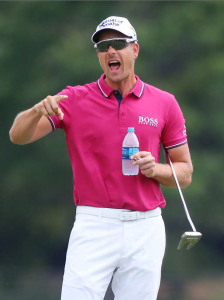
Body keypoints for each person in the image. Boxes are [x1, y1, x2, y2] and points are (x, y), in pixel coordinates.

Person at [9, 16, 193, 300]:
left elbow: (184, 172)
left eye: (118, 43)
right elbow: (18, 136)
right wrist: (35, 111)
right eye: (103, 45)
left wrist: (155, 169)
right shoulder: (73, 99)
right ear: (98, 55)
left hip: (146, 226)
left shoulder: (164, 103)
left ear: (135, 50)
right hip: (93, 223)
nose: (110, 51)